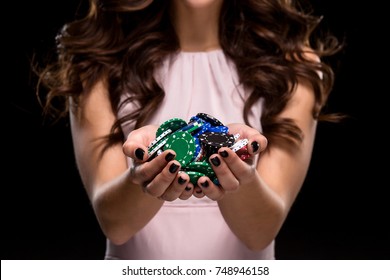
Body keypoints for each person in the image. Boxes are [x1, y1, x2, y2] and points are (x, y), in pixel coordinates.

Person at [36, 0, 341, 259]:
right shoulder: (95, 61)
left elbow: (260, 233)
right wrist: (144, 175)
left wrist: (237, 171)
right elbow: (115, 224)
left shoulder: (295, 67)